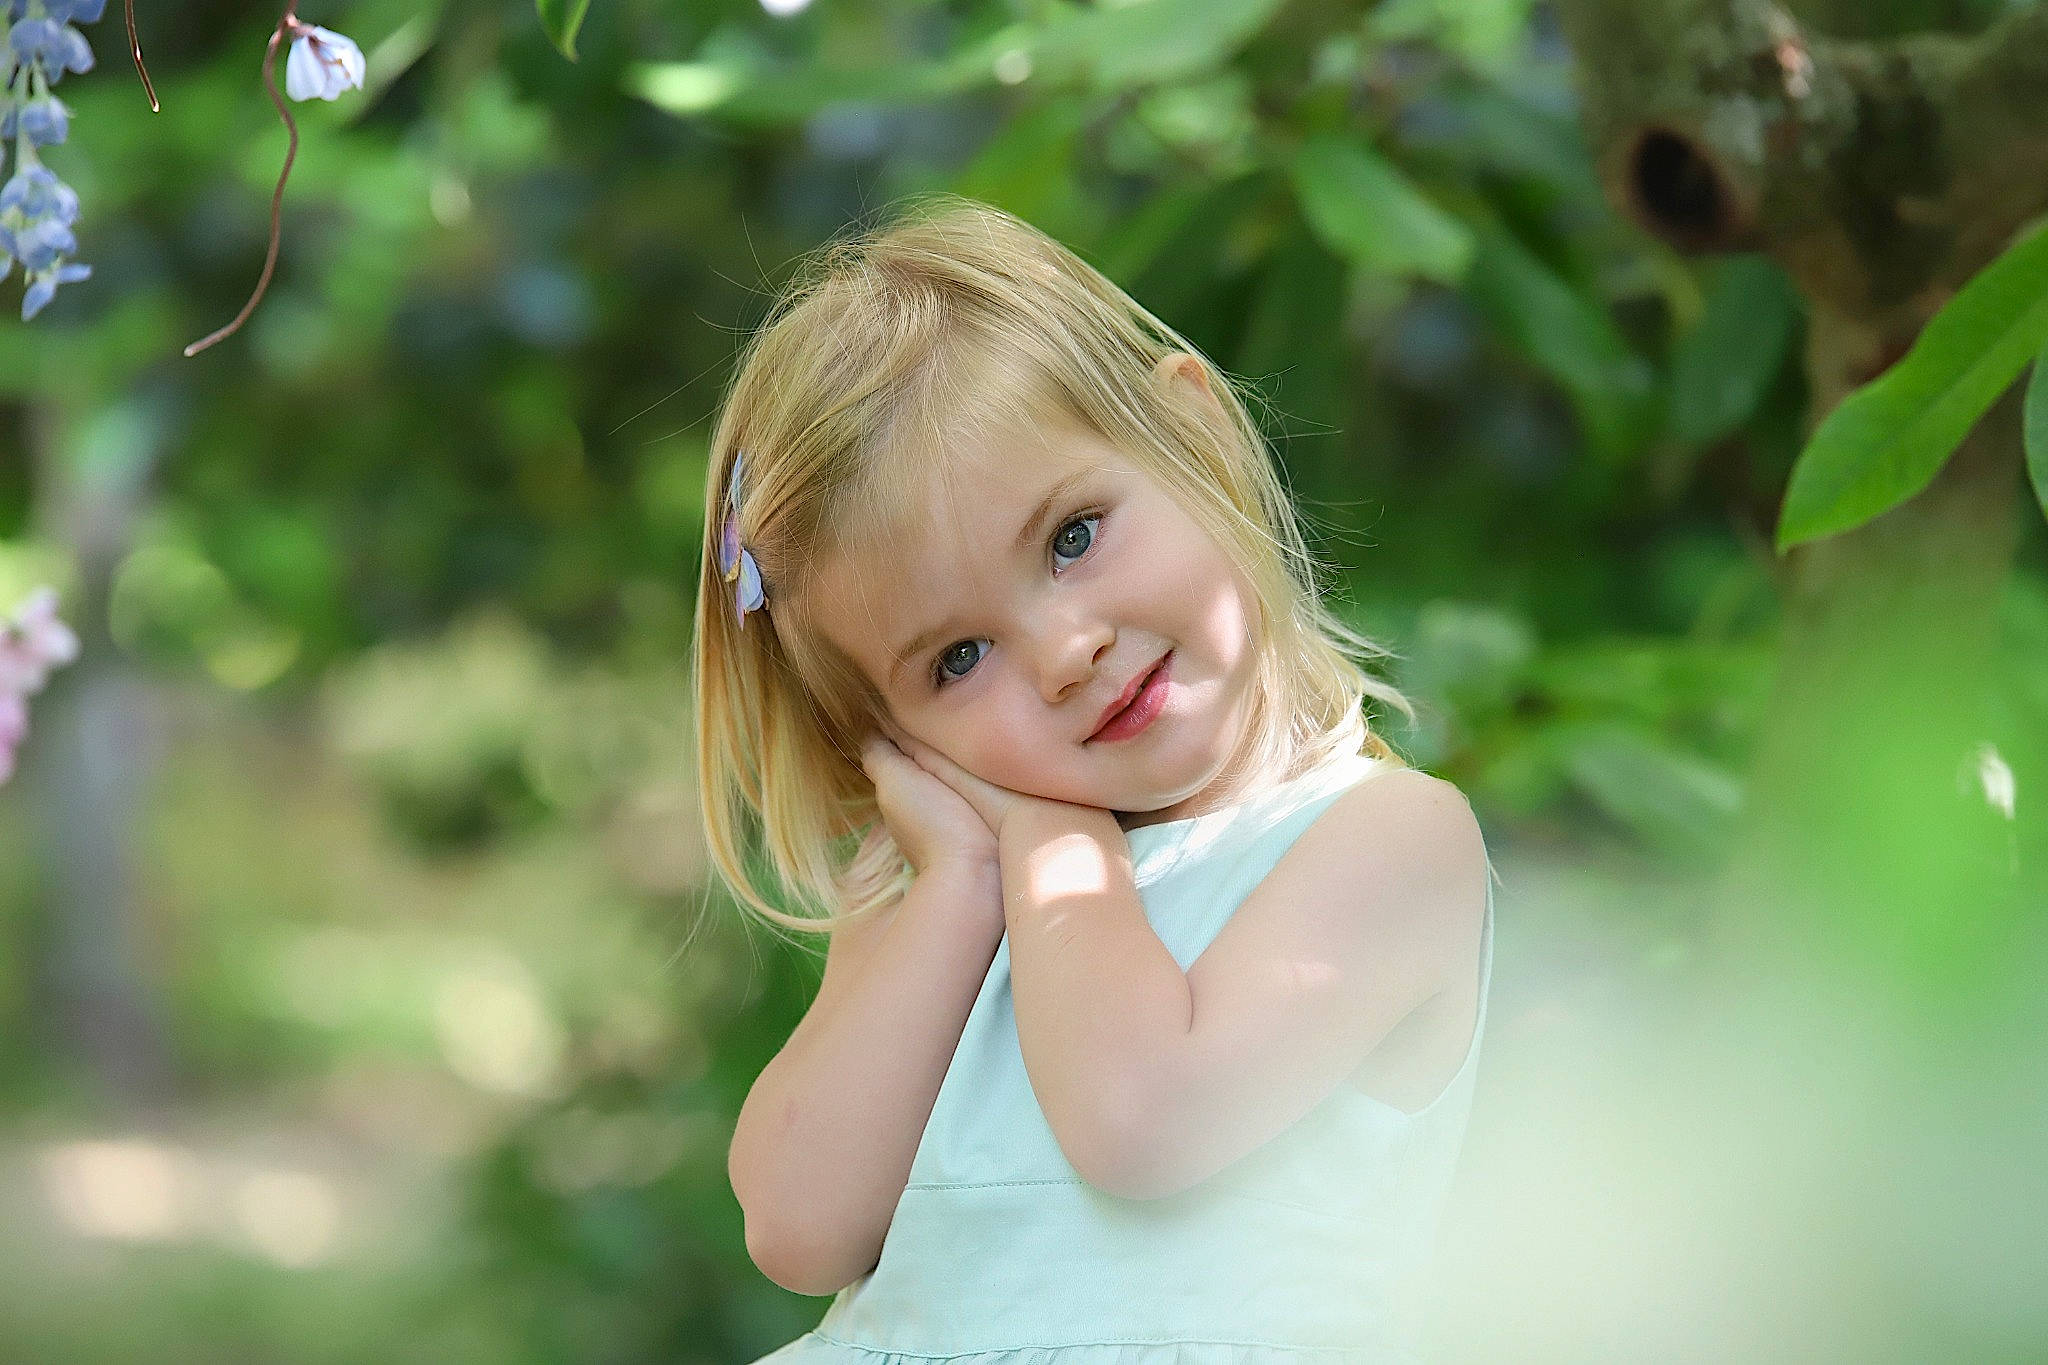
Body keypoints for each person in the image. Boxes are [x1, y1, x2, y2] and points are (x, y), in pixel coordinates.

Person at [695, 193, 1497, 1363]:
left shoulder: (1383, 841)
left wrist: (1047, 842)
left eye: (1071, 536)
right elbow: (798, 1228)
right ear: (891, 734)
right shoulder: (946, 901)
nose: (1065, 655)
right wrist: (957, 886)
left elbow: (1141, 1123)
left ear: (1195, 437)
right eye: (957, 659)